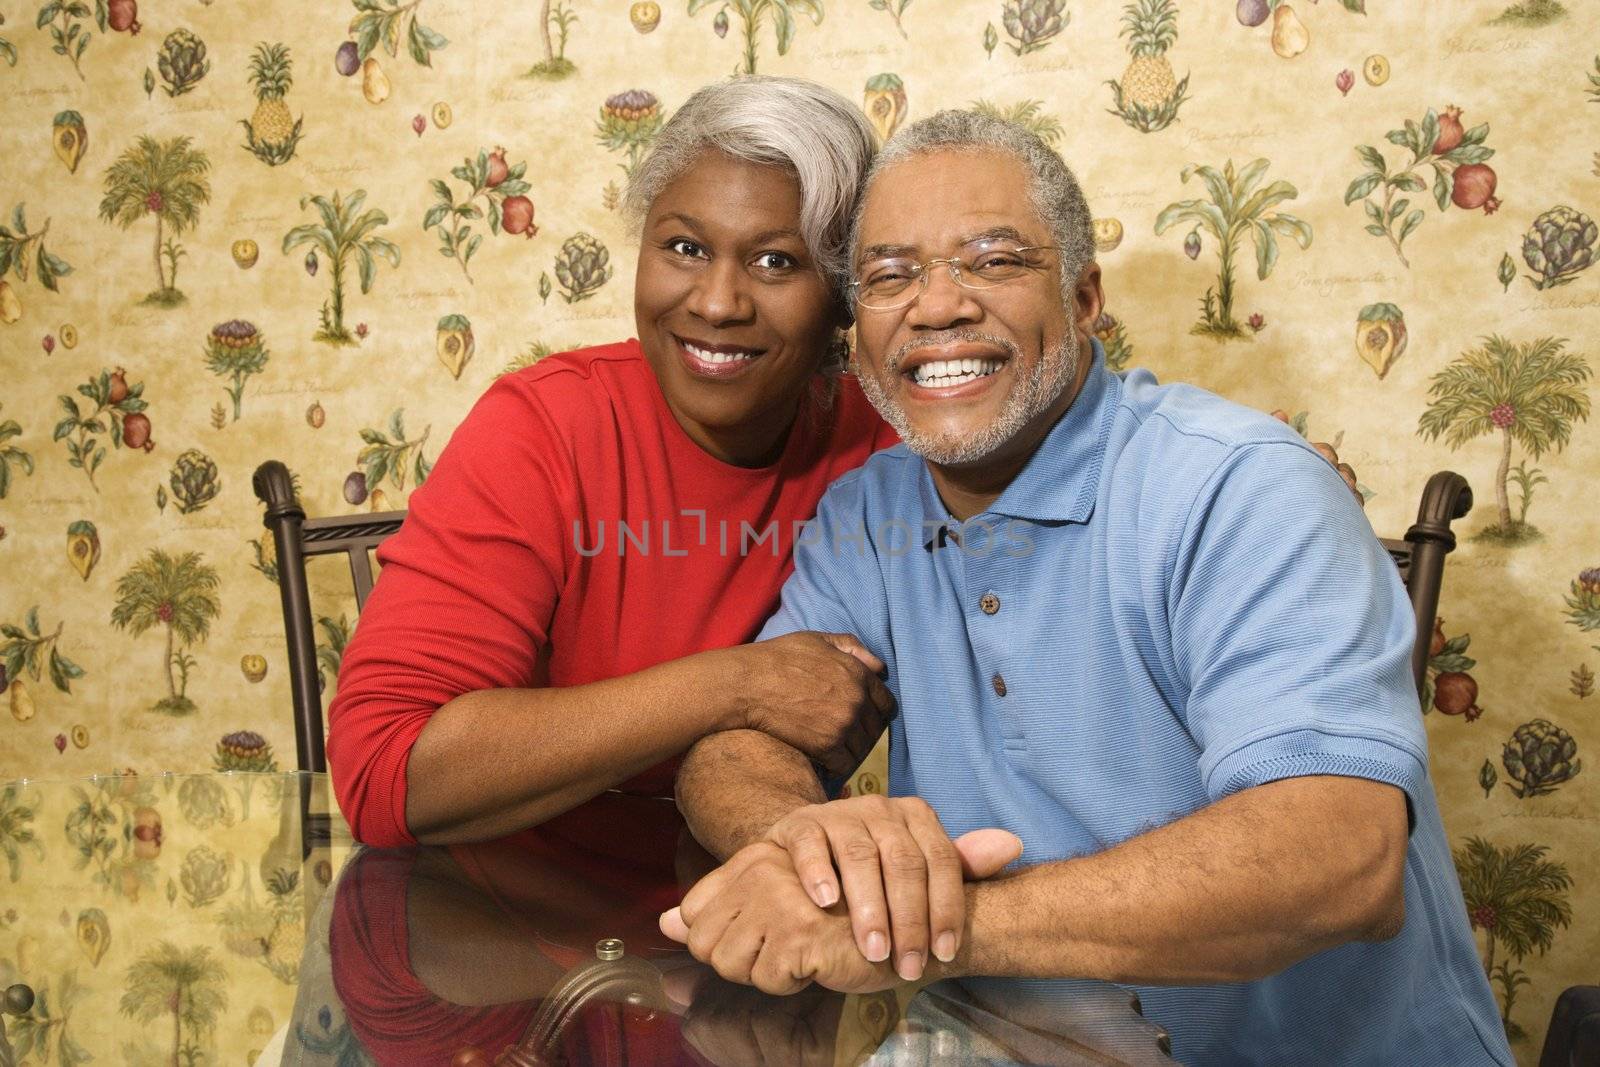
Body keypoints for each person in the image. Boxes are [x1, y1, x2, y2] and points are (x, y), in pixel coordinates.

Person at [663, 110, 1514, 1065]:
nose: (937, 306)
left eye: (992, 261)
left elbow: (1339, 859)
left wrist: (926, 922)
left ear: (1084, 297)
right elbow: (739, 741)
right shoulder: (867, 515)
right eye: (892, 275)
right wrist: (810, 852)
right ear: (858, 330)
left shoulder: (1242, 486)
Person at [326, 76, 901, 900]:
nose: (716, 301)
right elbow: (386, 773)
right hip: (495, 923)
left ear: (844, 297)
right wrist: (736, 681)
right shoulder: (543, 429)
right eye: (684, 247)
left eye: (777, 261)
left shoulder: (887, 446)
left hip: (734, 911)